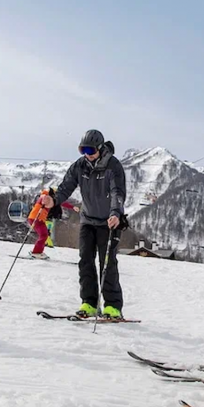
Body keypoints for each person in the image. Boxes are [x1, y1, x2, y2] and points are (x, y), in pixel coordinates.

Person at [41, 130, 127, 317]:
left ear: (100, 148)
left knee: (107, 263)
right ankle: (89, 303)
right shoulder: (80, 166)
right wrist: (53, 200)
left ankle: (113, 306)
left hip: (109, 222)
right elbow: (65, 187)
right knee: (85, 261)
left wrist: (115, 213)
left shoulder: (113, 166)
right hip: (88, 220)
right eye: (82, 150)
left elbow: (117, 193)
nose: (87, 154)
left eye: (90, 150)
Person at [27, 188, 75, 259]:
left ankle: (38, 251)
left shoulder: (50, 199)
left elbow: (61, 202)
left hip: (40, 219)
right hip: (36, 218)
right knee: (44, 235)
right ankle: (36, 252)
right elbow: (43, 197)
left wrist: (72, 207)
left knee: (44, 235)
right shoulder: (44, 196)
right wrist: (44, 198)